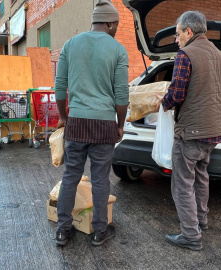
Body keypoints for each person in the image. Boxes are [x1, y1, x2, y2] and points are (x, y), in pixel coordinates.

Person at [53, 0, 129, 247]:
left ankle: (63, 230)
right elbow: (121, 94)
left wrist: (64, 116)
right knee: (100, 179)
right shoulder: (118, 50)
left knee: (71, 176)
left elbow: (60, 87)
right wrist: (120, 124)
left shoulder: (70, 44)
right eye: (116, 24)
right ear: (109, 23)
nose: (116, 28)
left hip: (76, 123)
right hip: (104, 124)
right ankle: (99, 231)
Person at [156, 11, 221, 251]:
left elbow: (176, 94)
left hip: (192, 131)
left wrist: (162, 104)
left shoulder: (185, 55)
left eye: (177, 35)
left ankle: (190, 235)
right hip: (214, 130)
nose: (176, 40)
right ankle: (201, 220)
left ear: (189, 32)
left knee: (182, 183)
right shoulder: (218, 54)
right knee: (201, 175)